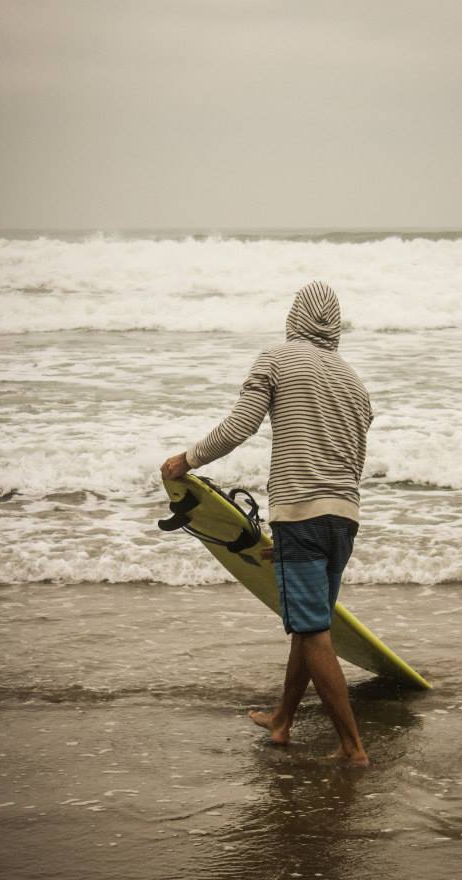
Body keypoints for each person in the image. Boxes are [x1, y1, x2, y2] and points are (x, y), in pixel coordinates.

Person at [161, 280, 373, 765]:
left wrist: (186, 460)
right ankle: (282, 722)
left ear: (294, 318)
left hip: (301, 515)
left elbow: (240, 427)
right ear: (335, 327)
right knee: (309, 626)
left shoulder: (276, 359)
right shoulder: (355, 383)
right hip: (344, 520)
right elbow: (354, 460)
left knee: (313, 630)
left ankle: (352, 748)